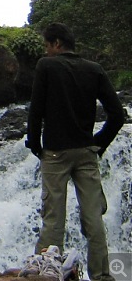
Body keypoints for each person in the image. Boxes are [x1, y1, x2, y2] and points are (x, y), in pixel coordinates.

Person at [26, 23, 125, 281]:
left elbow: (36, 110)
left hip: (56, 153)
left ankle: (46, 273)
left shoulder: (46, 66)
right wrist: (98, 144)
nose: (46, 51)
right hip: (85, 153)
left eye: (47, 46)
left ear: (56, 43)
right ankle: (102, 275)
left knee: (53, 218)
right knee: (94, 218)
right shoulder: (94, 70)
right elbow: (117, 115)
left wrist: (36, 145)